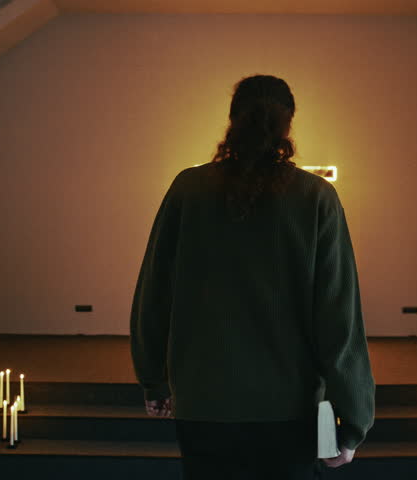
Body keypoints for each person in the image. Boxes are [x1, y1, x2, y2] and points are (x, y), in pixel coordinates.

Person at [130, 74, 375, 479]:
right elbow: (339, 317)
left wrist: (153, 379)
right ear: (288, 125)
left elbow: (154, 293)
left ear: (232, 120)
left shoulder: (188, 189)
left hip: (203, 402)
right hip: (290, 410)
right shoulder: (316, 197)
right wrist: (353, 419)